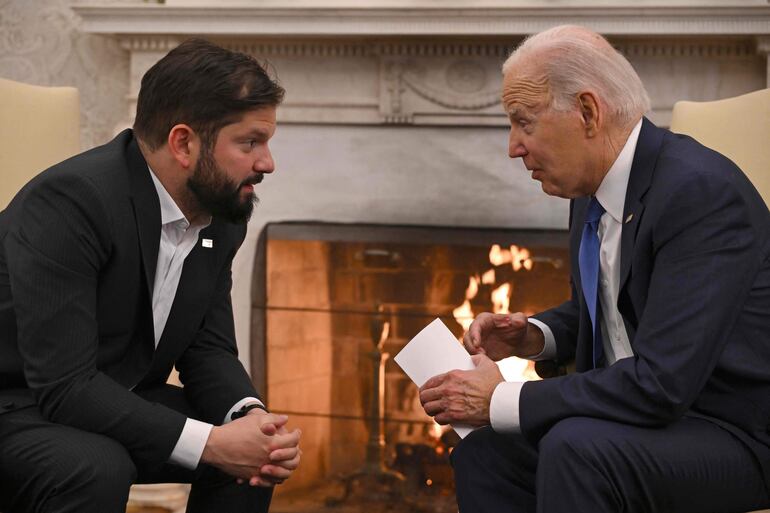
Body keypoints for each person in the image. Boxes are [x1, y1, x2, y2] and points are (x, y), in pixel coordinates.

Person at [419, 25, 770, 513]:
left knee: (577, 449)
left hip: (729, 430)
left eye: (524, 123)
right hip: (640, 420)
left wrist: (500, 399)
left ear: (587, 112)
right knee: (485, 452)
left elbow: (662, 383)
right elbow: (621, 304)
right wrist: (534, 335)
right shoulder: (591, 190)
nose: (512, 147)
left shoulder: (699, 193)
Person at [0, 39, 301, 513]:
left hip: (111, 394)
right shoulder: (72, 202)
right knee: (96, 465)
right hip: (19, 402)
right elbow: (65, 386)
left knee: (255, 458)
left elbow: (208, 347)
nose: (267, 163)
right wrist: (212, 444)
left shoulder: (221, 215)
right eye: (250, 142)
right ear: (184, 142)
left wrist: (250, 417)